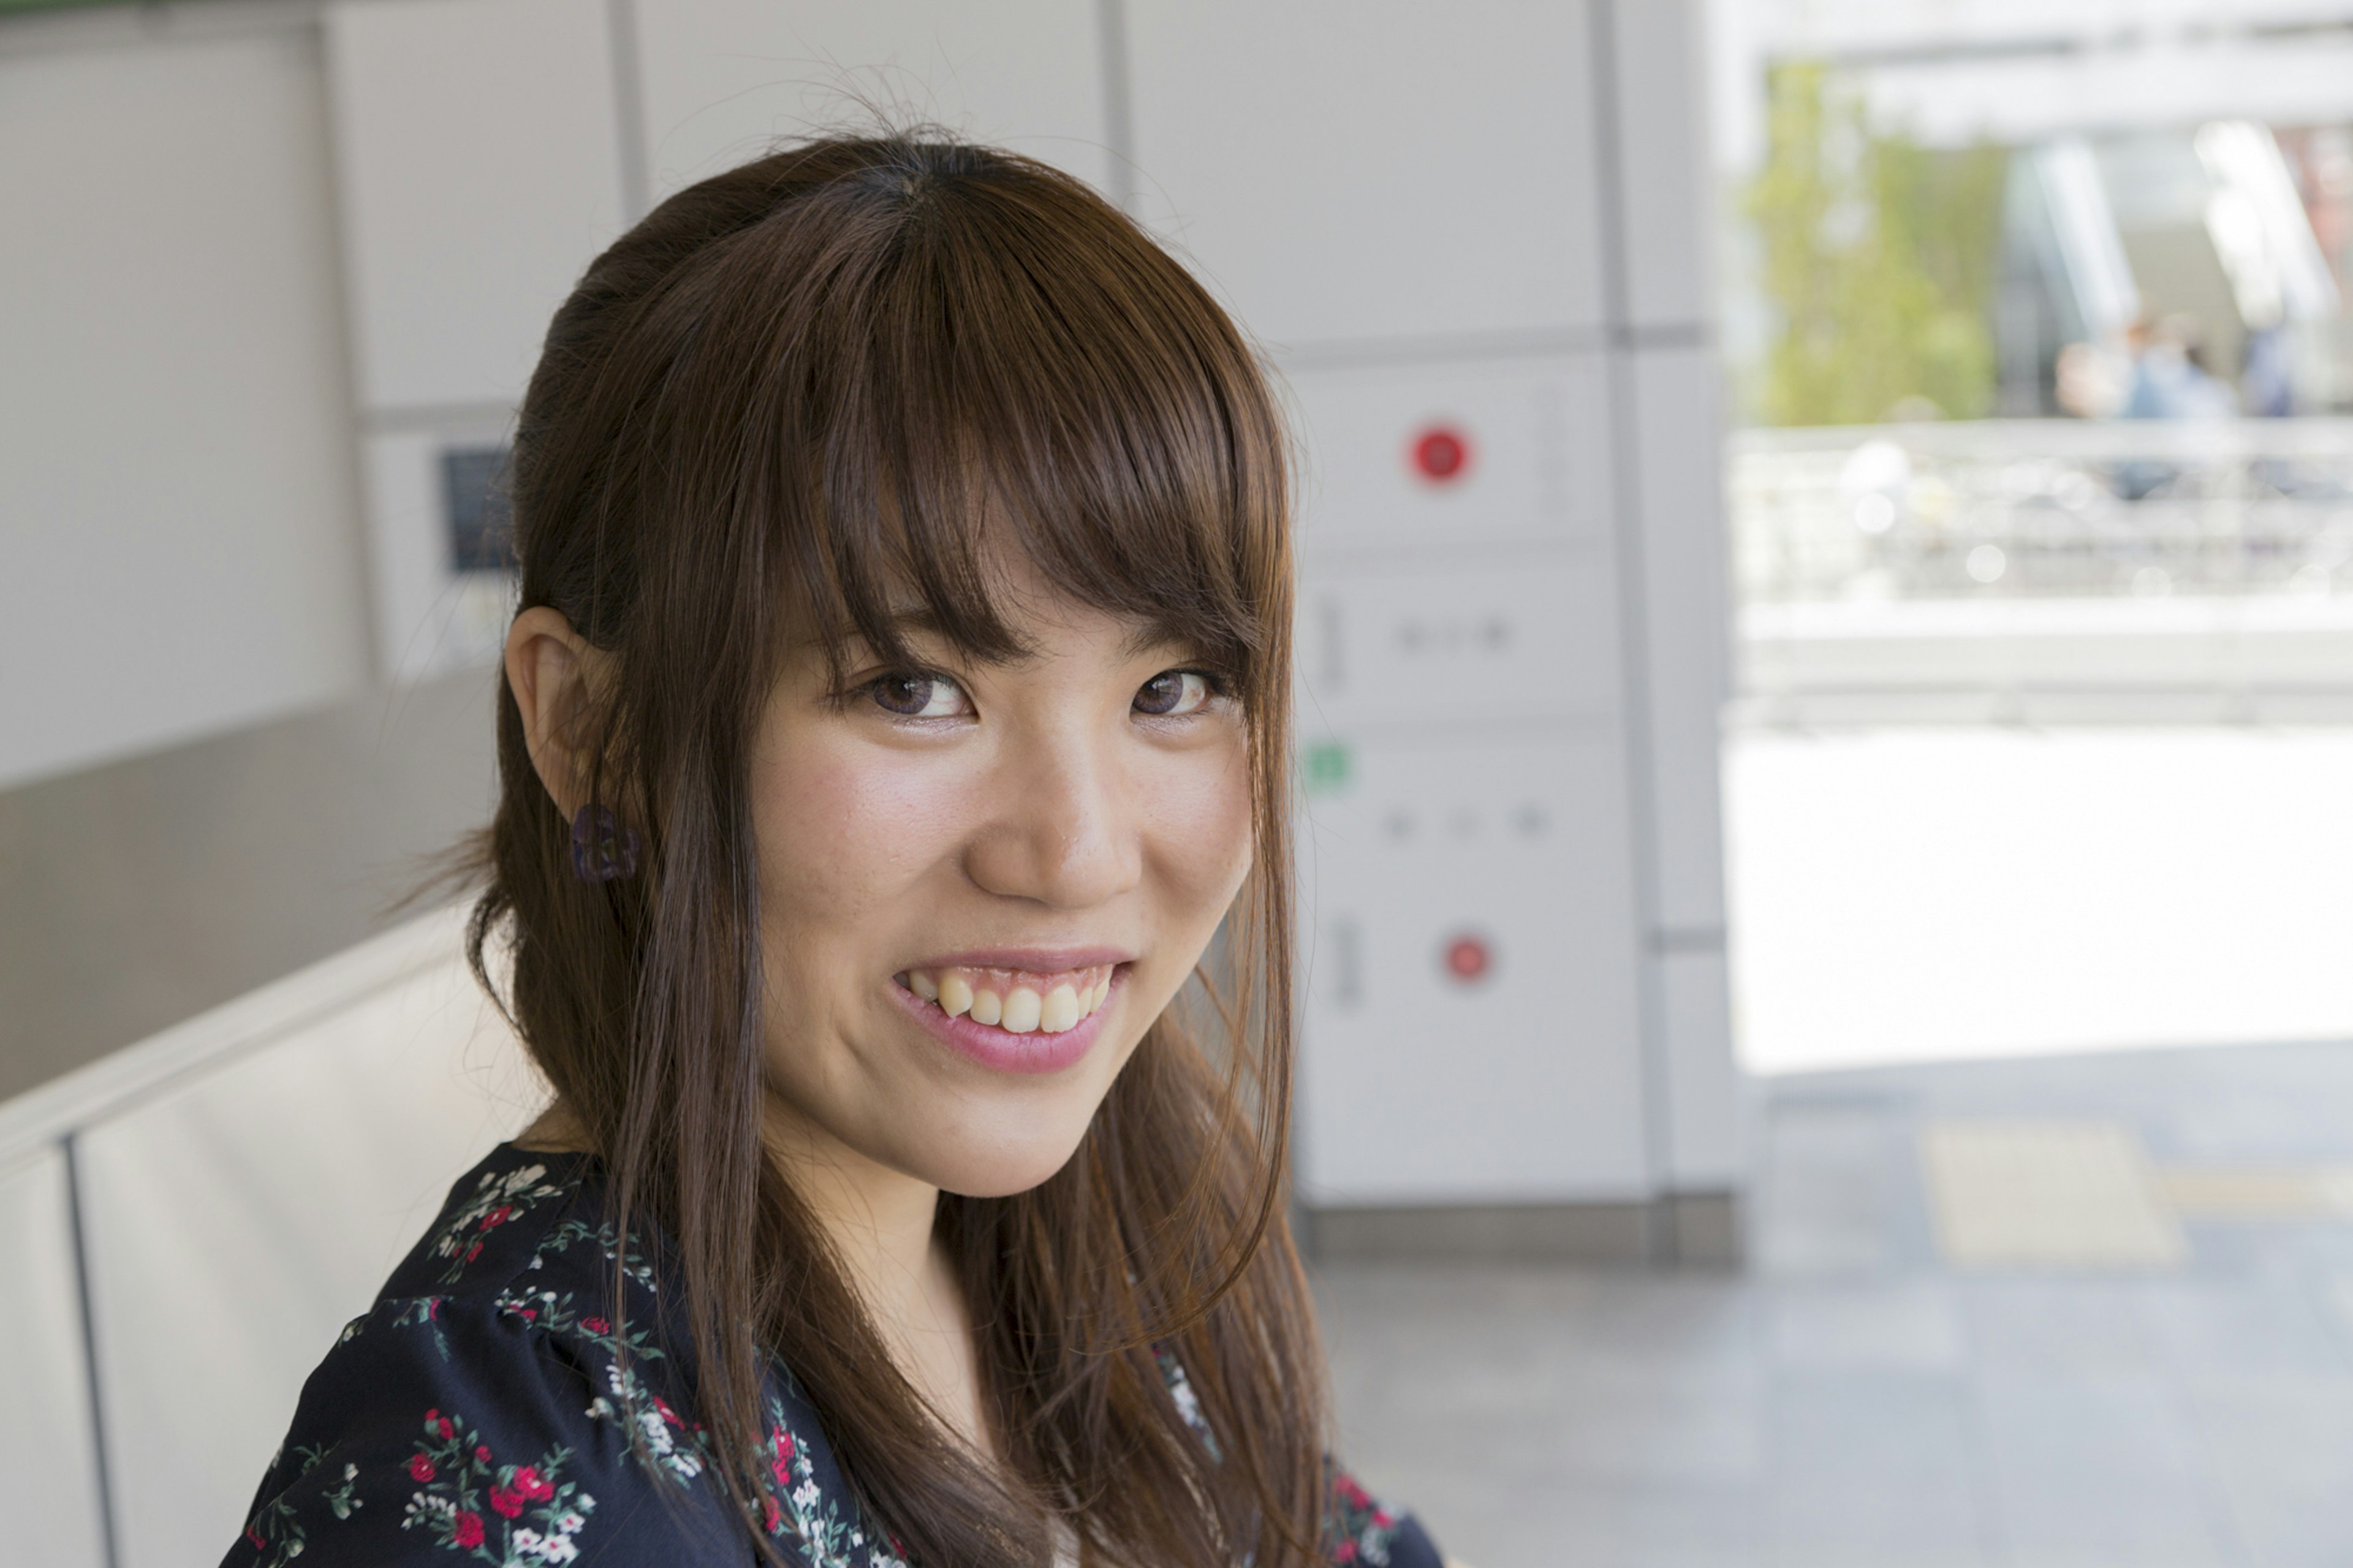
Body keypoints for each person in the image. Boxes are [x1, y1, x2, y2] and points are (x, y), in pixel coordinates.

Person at [221, 134, 1449, 1568]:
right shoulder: (520, 1472)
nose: (1075, 849)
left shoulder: (1083, 1248)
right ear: (595, 733)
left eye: (1171, 688)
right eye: (912, 687)